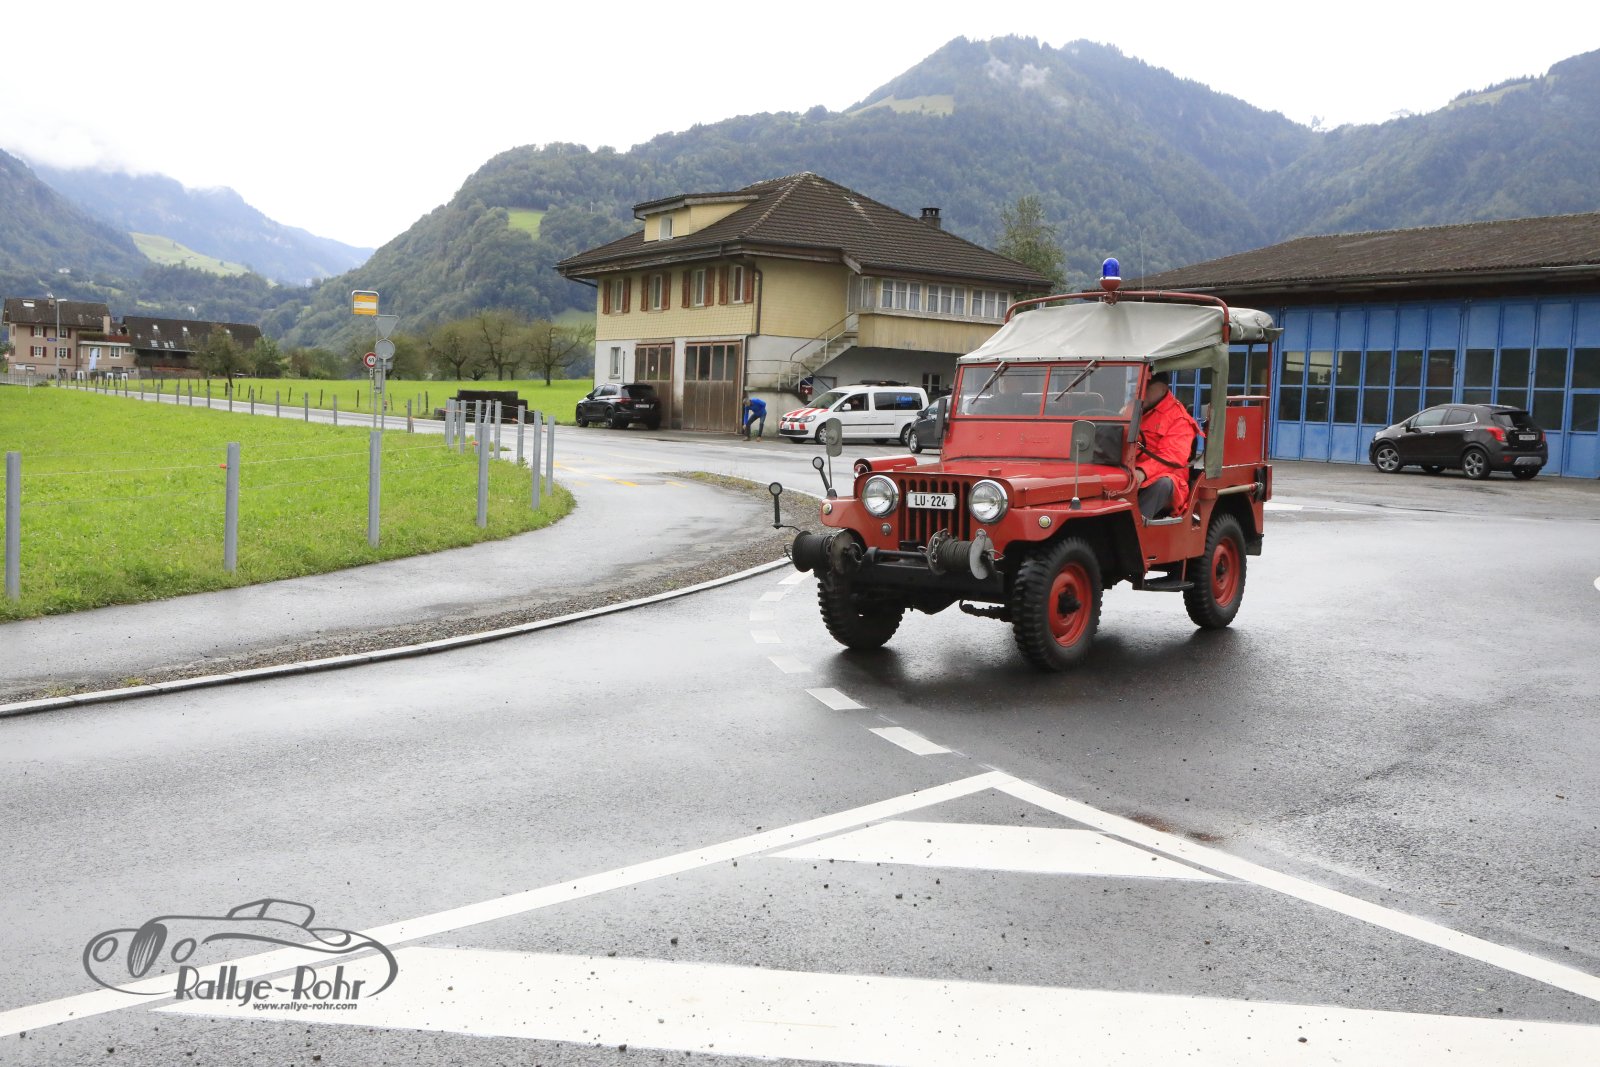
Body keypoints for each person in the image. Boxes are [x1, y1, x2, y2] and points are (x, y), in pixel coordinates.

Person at [1132, 372, 1200, 520]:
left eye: (1147, 386)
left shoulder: (1179, 418)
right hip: (1131, 471)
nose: (1141, 391)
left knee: (1163, 484)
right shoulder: (1133, 409)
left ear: (1162, 388)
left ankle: (1134, 526)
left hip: (1168, 479)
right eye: (1139, 386)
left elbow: (1171, 458)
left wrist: (1142, 472)